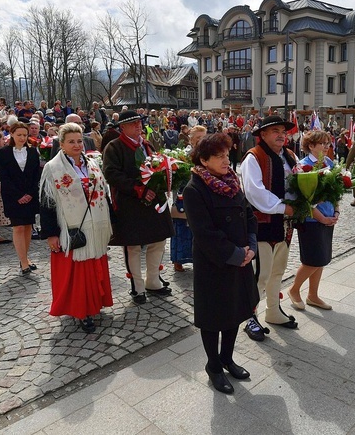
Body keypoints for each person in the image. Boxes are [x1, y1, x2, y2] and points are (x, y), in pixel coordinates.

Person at [183, 133, 258, 394]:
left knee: (235, 312)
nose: (227, 160)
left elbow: (248, 214)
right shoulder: (194, 189)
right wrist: (237, 255)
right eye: (219, 156)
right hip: (215, 264)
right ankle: (213, 365)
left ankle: (227, 358)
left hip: (241, 258)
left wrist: (251, 245)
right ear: (204, 160)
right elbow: (204, 233)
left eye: (227, 154)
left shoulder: (231, 181)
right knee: (213, 318)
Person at [40, 122, 113, 333]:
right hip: (71, 229)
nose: (77, 145)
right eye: (71, 141)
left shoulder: (91, 163)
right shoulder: (52, 168)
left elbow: (104, 195)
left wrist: (110, 222)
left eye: (79, 140)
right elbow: (47, 203)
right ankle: (82, 310)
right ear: (61, 144)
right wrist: (51, 233)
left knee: (95, 266)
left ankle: (95, 305)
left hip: (95, 228)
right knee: (78, 273)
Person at [102, 110, 174, 304]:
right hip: (129, 203)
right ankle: (138, 286)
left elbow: (158, 166)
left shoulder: (147, 144)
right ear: (122, 127)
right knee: (133, 246)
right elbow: (111, 174)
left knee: (158, 240)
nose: (138, 126)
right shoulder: (114, 147)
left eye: (139, 122)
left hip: (153, 202)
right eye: (133, 123)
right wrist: (138, 189)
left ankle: (153, 280)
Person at [239, 115, 298, 341]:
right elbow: (255, 192)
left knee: (278, 271)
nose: (281, 134)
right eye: (275, 130)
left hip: (285, 224)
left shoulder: (290, 156)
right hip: (261, 223)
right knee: (260, 274)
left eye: (283, 130)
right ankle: (249, 315)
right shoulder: (254, 157)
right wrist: (283, 207)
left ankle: (273, 310)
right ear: (262, 134)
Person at [288, 130, 339, 311]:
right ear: (310, 146)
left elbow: (336, 191)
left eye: (328, 143)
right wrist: (322, 218)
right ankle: (294, 289)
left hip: (327, 217)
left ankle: (313, 295)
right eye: (322, 144)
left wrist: (336, 212)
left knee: (322, 258)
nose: (326, 147)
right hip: (311, 220)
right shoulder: (303, 166)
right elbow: (305, 200)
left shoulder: (330, 163)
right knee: (312, 259)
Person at [0, 122, 42, 274]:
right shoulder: (3, 152)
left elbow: (36, 175)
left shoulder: (33, 152)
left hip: (30, 195)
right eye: (19, 135)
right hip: (12, 196)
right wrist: (18, 196)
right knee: (18, 227)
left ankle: (26, 257)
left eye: (25, 135)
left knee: (28, 226)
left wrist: (30, 194)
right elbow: (4, 177)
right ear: (12, 134)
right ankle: (23, 262)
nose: (22, 138)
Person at [170, 125, 206, 272]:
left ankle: (200, 258)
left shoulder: (208, 154)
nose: (200, 141)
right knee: (181, 228)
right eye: (197, 138)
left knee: (199, 228)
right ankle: (178, 260)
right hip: (184, 195)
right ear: (190, 139)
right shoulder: (183, 155)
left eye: (203, 138)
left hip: (202, 196)